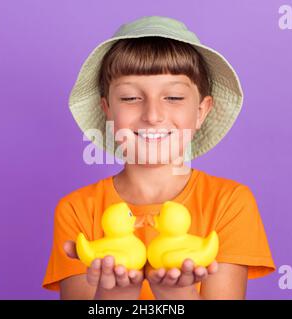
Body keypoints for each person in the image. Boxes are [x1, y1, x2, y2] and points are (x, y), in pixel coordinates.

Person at [42, 15, 275, 300]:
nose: (153, 115)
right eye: (130, 98)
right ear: (108, 110)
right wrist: (117, 293)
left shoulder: (229, 203)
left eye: (174, 98)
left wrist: (176, 295)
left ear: (201, 111)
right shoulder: (77, 210)